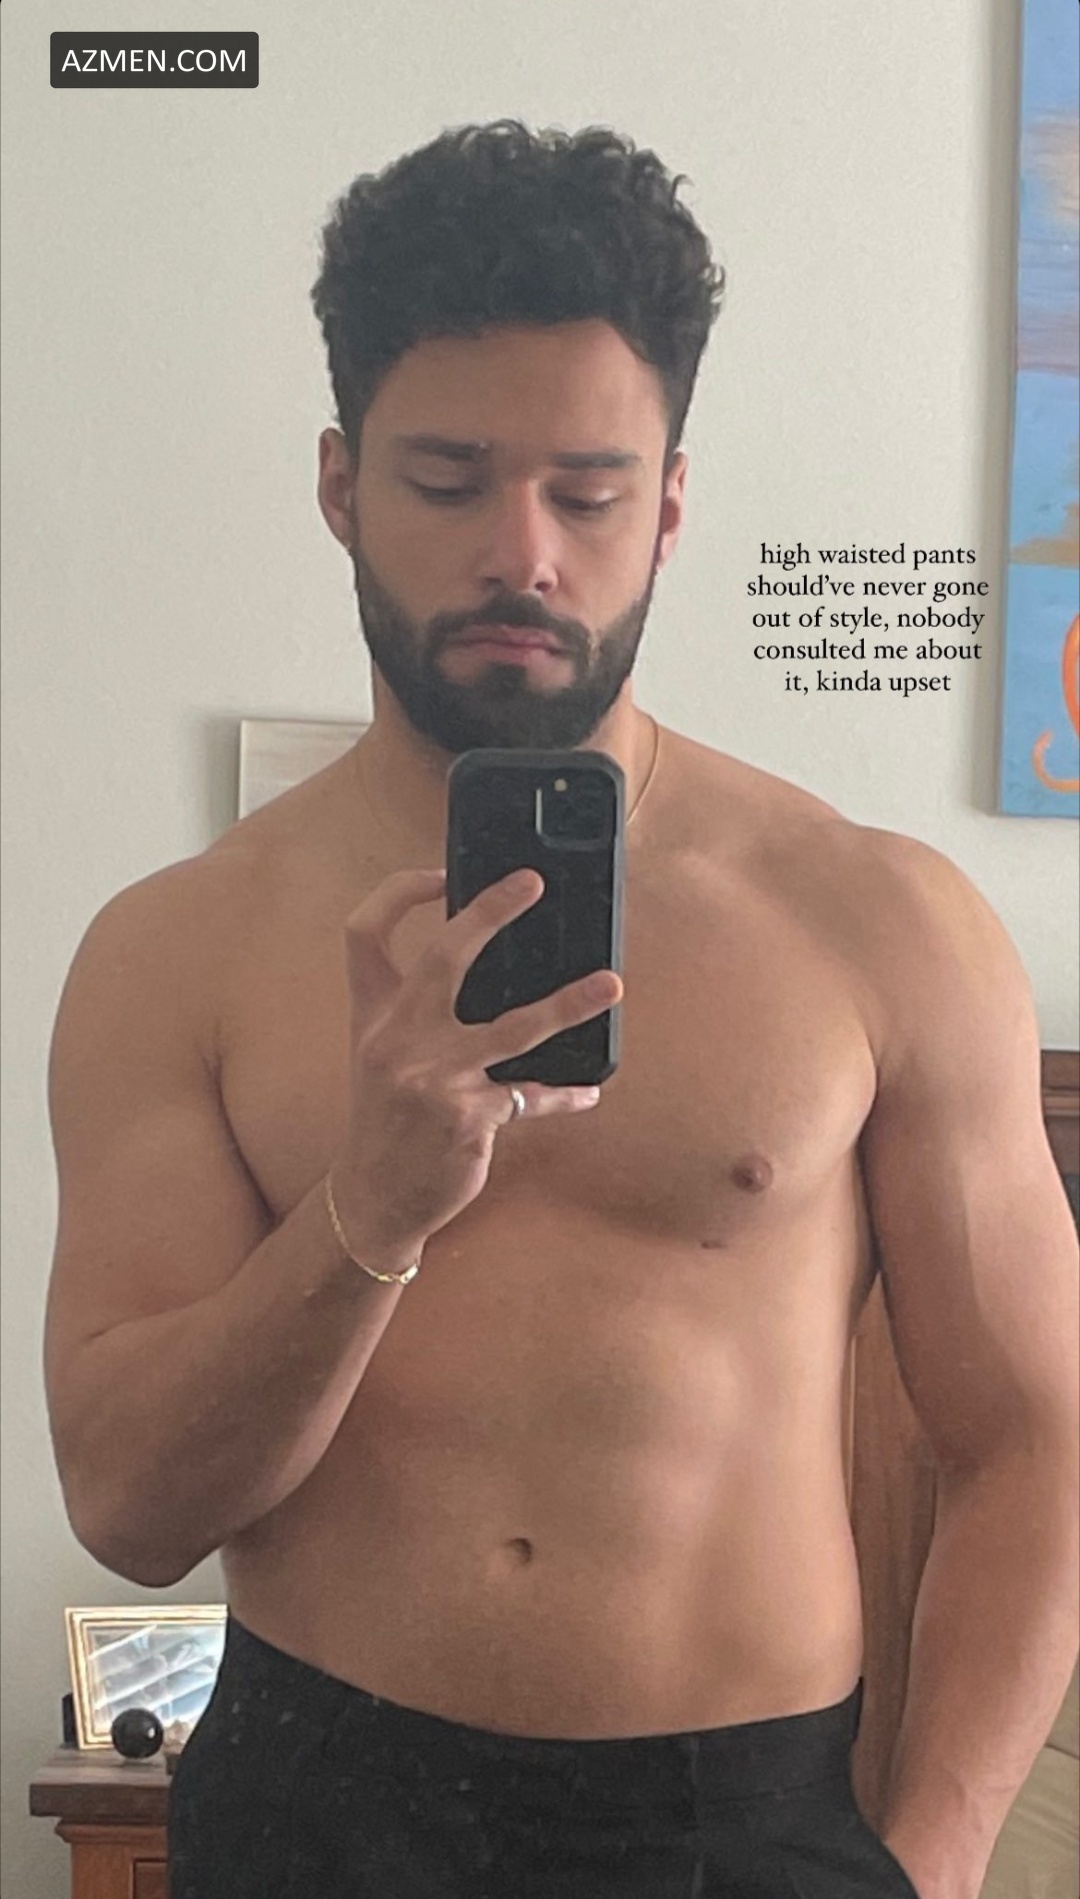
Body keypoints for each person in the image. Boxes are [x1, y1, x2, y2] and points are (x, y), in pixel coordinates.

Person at [44, 121, 1078, 1899]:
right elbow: (132, 1512)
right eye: (449, 481)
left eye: (588, 494)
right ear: (340, 486)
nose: (521, 554)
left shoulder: (878, 922)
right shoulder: (174, 951)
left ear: (667, 505)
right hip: (319, 1811)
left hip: (744, 1823)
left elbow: (1035, 1441)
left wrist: (932, 1862)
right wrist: (370, 1205)